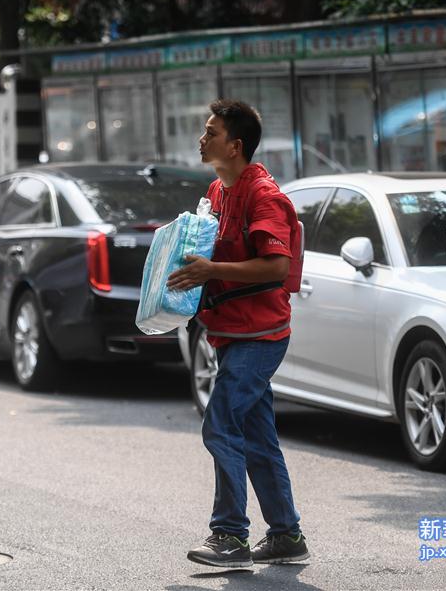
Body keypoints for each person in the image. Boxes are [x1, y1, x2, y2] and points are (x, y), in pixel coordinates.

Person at [167, 99, 309, 568]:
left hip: (260, 335)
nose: (202, 139)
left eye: (211, 132)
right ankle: (286, 536)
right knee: (257, 435)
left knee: (221, 423)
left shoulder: (262, 195)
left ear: (236, 144)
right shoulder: (217, 189)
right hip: (230, 333)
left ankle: (229, 535)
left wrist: (212, 268)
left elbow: (277, 264)